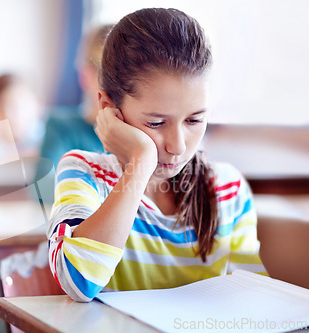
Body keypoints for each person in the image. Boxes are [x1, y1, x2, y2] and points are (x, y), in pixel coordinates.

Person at [48, 8, 266, 303]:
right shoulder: (84, 173)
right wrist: (140, 162)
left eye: (194, 120)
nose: (177, 146)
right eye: (156, 123)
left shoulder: (228, 189)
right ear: (108, 107)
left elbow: (253, 299)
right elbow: (79, 282)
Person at [38, 24, 112, 169]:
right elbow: (44, 189)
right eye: (110, 78)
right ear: (86, 76)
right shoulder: (61, 127)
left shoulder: (144, 135)